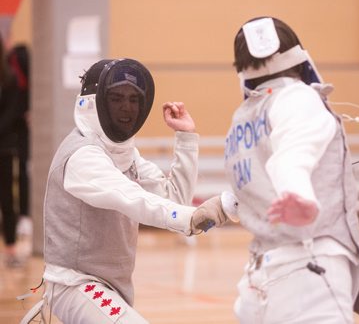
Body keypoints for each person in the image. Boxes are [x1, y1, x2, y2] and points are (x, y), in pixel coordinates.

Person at [20, 58, 235, 323]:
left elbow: (173, 198)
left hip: (113, 285)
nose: (127, 108)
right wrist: (190, 218)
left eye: (134, 99)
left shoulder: (126, 155)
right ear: (94, 102)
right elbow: (131, 198)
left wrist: (186, 138)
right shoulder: (82, 156)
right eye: (117, 98)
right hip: (74, 284)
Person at [225, 17, 359, 324]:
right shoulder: (297, 97)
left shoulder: (243, 117)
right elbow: (292, 158)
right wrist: (298, 195)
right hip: (311, 269)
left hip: (262, 275)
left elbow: (258, 180)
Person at [0, 33, 22, 268]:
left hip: (4, 147)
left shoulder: (10, 78)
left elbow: (10, 115)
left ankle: (11, 248)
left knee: (7, 198)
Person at [7, 44, 32, 237]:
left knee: (22, 169)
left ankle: (24, 216)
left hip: (17, 126)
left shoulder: (20, 56)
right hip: (9, 127)